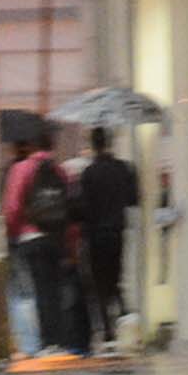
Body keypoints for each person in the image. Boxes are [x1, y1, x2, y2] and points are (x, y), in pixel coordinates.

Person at [3, 135, 83, 355]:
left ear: (31, 146)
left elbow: (13, 207)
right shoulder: (59, 170)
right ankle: (59, 340)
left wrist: (12, 232)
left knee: (34, 290)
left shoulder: (21, 169)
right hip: (56, 238)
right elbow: (69, 208)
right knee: (54, 290)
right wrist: (69, 241)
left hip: (30, 237)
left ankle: (43, 342)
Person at [75, 126, 141, 352]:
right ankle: (127, 321)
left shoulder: (89, 173)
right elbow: (133, 199)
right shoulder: (124, 168)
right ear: (110, 142)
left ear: (94, 145)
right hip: (118, 231)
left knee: (100, 284)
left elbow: (82, 207)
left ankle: (108, 331)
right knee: (118, 280)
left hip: (95, 235)